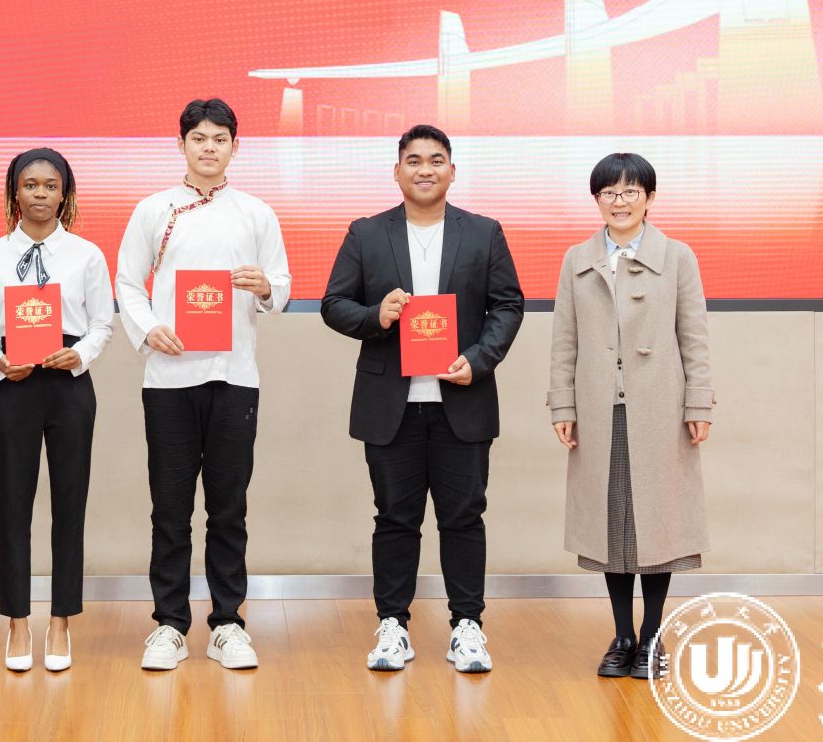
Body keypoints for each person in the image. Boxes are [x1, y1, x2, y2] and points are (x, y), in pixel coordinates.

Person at [320, 124, 525, 675]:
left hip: (463, 399)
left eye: (436, 160)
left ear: (452, 171)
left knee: (464, 518)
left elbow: (508, 306)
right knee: (394, 518)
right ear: (397, 172)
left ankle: (467, 626)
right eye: (414, 160)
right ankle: (393, 626)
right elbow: (334, 304)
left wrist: (478, 359)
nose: (425, 169)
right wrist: (376, 316)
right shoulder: (366, 233)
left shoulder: (483, 232)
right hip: (391, 405)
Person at [115, 97, 291, 671]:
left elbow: (281, 286)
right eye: (199, 138)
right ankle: (169, 625)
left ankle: (227, 624)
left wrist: (265, 287)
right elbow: (127, 283)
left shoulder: (256, 213)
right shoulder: (154, 209)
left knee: (228, 508)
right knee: (169, 508)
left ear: (235, 147)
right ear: (181, 144)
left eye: (220, 139)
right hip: (169, 377)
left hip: (235, 376)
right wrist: (149, 329)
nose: (209, 147)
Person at [548, 152, 714, 682]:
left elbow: (694, 337)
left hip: (661, 409)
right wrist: (563, 404)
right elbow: (564, 340)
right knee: (611, 526)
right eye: (609, 193)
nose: (619, 202)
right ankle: (622, 637)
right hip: (600, 410)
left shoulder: (678, 257)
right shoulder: (577, 259)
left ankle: (653, 635)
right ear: (596, 200)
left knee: (656, 527)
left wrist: (698, 404)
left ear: (649, 197)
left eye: (630, 192)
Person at [0, 148, 115, 673]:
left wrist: (82, 355)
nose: (40, 194)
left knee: (69, 504)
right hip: (16, 383)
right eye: (30, 185)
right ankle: (16, 621)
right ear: (15, 192)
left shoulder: (86, 255)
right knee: (13, 503)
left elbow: (102, 322)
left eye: (50, 185)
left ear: (64, 193)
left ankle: (60, 620)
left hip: (68, 381)